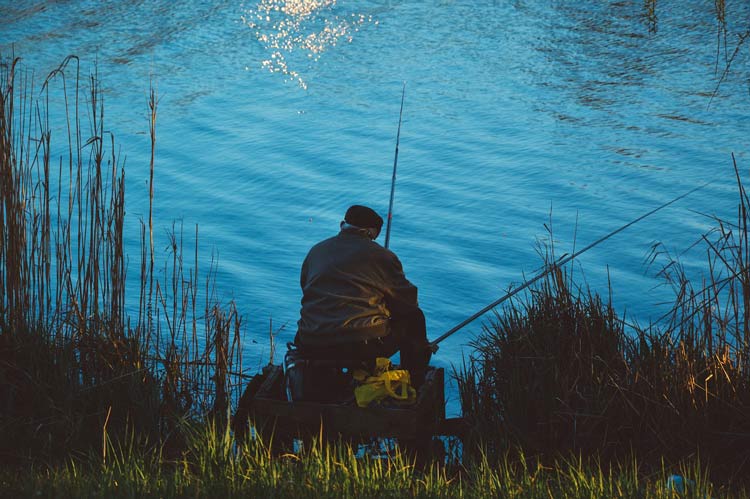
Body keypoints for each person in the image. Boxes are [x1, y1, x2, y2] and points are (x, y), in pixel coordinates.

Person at [290, 205, 431, 400]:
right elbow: (407, 303)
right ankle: (414, 382)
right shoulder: (383, 256)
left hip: (311, 341)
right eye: (374, 237)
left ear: (342, 225)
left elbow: (306, 288)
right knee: (414, 318)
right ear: (370, 232)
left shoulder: (316, 251)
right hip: (361, 345)